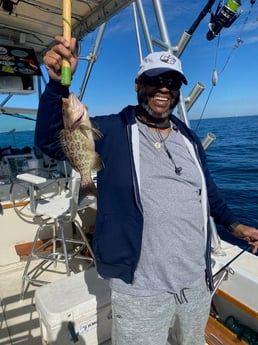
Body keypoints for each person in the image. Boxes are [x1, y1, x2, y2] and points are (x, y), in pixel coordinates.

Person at [35, 36, 258, 345]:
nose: (163, 88)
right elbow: (49, 143)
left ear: (178, 91)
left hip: (195, 281)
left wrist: (233, 223)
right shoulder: (112, 130)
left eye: (171, 82)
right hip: (141, 287)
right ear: (138, 84)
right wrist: (57, 86)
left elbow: (205, 189)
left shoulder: (190, 139)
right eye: (154, 80)